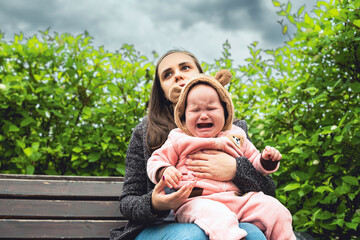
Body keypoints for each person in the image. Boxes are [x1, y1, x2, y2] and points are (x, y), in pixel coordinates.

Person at [110, 50, 277, 240]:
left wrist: (235, 169)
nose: (178, 75)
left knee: (254, 235)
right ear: (164, 91)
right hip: (158, 227)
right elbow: (128, 200)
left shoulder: (233, 129)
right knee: (194, 235)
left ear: (202, 76)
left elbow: (268, 190)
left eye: (185, 67)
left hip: (227, 218)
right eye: (167, 74)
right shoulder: (145, 132)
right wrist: (155, 204)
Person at [146, 69, 296, 240]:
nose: (203, 115)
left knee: (275, 209)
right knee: (220, 219)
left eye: (211, 108)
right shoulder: (178, 138)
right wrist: (163, 170)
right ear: (183, 116)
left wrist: (265, 160)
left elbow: (254, 162)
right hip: (197, 202)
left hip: (237, 199)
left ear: (225, 112)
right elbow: (156, 160)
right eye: (195, 110)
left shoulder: (237, 135)